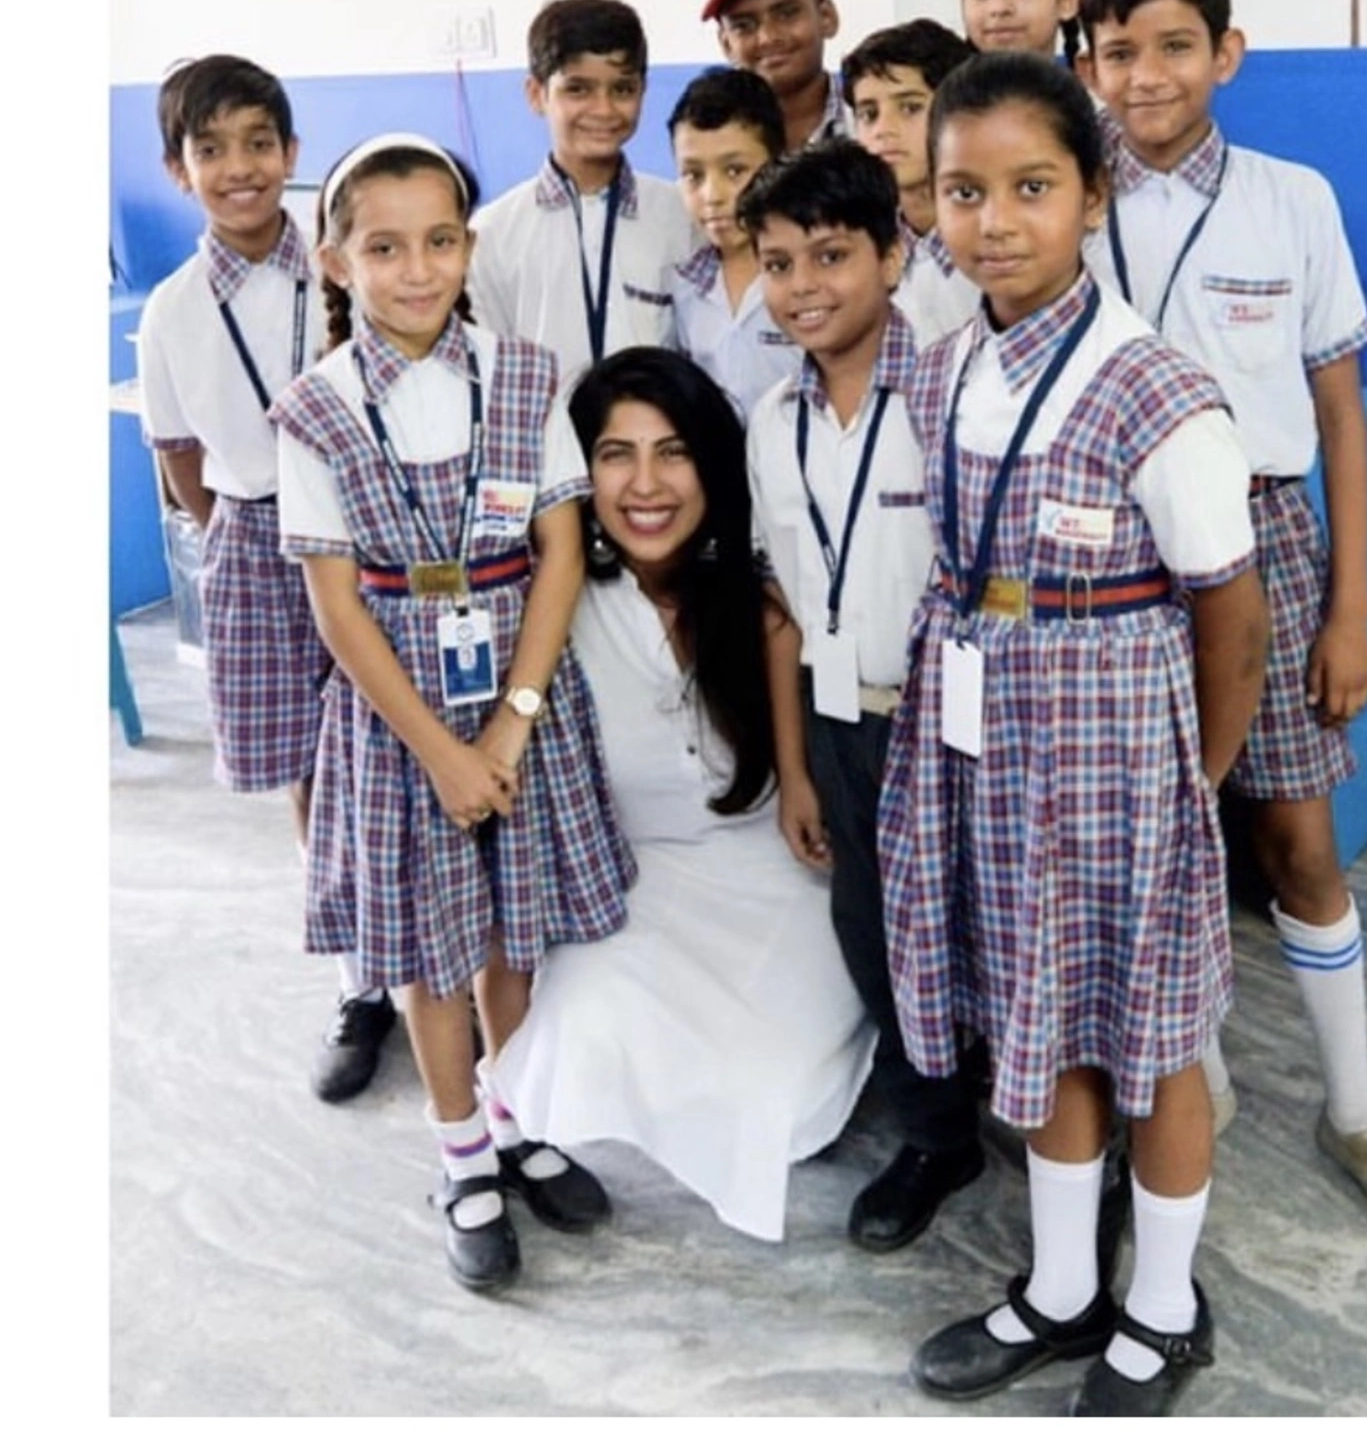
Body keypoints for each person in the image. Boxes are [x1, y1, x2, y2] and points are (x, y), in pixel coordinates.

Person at [883, 54, 1270, 1417]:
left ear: (1093, 196)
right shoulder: (938, 373)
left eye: (1031, 187)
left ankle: (1161, 1311)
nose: (994, 221)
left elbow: (1232, 606)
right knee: (1043, 1021)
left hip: (1124, 769)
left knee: (1150, 1038)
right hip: (993, 758)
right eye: (963, 191)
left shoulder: (1154, 390)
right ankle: (1060, 1289)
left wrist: (1198, 782)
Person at [1077, 0, 1367, 1248]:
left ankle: (1355, 1108)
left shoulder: (1293, 198)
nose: (1145, 75)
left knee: (1297, 840)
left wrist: (1353, 609)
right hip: (1111, 553)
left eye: (1174, 45)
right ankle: (1201, 1069)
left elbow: (1341, 417)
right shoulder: (1062, 192)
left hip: (1263, 538)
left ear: (1226, 54)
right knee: (1147, 834)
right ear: (1087, 63)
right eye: (1118, 50)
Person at [270, 133, 634, 1292]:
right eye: (384, 247)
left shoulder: (526, 376)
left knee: (509, 934)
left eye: (438, 241)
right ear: (338, 260)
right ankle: (462, 1151)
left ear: (467, 246)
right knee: (434, 952)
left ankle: (517, 1117)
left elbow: (560, 556)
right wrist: (441, 752)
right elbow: (337, 610)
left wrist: (510, 728)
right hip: (397, 718)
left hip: (518, 693)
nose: (417, 269)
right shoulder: (316, 409)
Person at [488, 346, 875, 1242]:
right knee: (580, 1034)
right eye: (615, 455)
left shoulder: (757, 586)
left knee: (768, 1091)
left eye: (673, 452)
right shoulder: (558, 603)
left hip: (773, 875)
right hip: (638, 880)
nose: (645, 485)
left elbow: (798, 773)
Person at [740, 140, 989, 1254]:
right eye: (779, 262)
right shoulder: (768, 424)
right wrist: (794, 765)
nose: (803, 288)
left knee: (997, 926)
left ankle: (1074, 1131)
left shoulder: (954, 395)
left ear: (894, 254)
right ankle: (935, 1133)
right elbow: (782, 611)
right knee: (878, 934)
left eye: (831, 256)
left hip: (962, 720)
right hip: (840, 722)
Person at [134, 56, 388, 1102]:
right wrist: (248, 529)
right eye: (210, 149)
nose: (237, 168)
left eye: (256, 143)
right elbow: (179, 457)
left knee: (400, 743)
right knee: (310, 773)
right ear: (177, 168)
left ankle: (441, 955)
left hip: (375, 538)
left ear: (290, 154)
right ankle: (360, 981)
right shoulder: (171, 309)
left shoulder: (346, 262)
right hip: (255, 536)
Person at [467, 0, 693, 387]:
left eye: (622, 89)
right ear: (537, 94)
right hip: (539, 440)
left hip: (656, 440)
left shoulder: (680, 215)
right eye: (578, 90)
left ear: (643, 92)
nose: (603, 110)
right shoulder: (492, 232)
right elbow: (487, 362)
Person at [668, 65, 800, 421]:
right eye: (693, 175)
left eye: (734, 171)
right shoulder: (683, 287)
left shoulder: (807, 276)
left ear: (778, 164)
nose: (712, 196)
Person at [840, 18, 983, 345]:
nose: (883, 130)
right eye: (869, 114)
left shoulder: (1001, 237)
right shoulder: (859, 248)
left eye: (909, 107)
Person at [701, 0, 853, 151]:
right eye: (744, 25)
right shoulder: (711, 147)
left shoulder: (875, 127)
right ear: (726, 44)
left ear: (827, 18)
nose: (768, 38)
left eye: (787, 14)